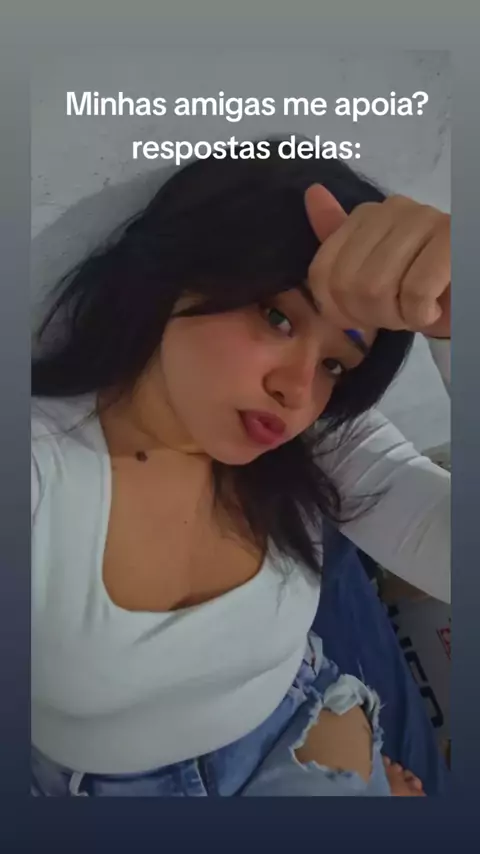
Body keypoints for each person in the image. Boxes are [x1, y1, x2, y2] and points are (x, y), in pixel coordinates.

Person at [31, 143, 450, 797]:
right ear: (179, 274)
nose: (298, 390)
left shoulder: (316, 442)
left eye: (335, 364)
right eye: (278, 317)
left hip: (307, 736)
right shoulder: (40, 470)